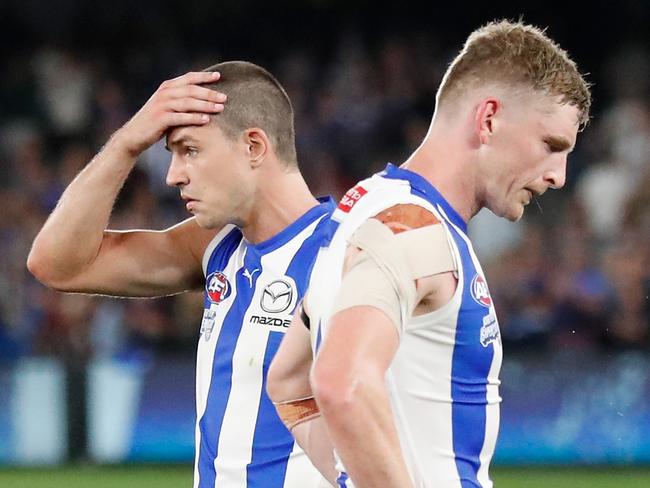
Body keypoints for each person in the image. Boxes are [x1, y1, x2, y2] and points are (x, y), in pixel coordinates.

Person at [267, 20, 591, 488]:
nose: (559, 175)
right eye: (550, 145)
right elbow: (340, 382)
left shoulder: (363, 209)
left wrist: (351, 477)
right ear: (489, 119)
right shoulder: (412, 230)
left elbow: (290, 383)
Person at [27, 61, 333, 488]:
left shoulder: (350, 251)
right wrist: (126, 144)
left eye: (190, 150)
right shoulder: (214, 246)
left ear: (254, 147)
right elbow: (56, 264)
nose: (173, 175)